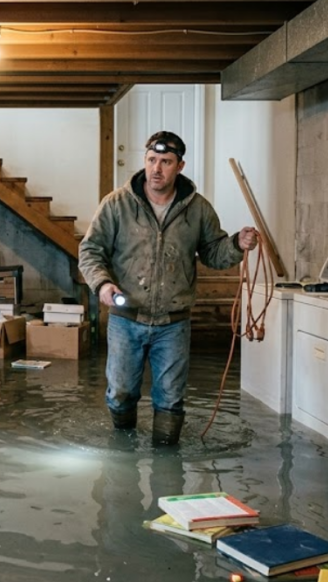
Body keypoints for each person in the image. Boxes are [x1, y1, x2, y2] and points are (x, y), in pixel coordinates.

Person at [78, 131, 258, 445]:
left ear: (180, 166)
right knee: (120, 394)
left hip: (173, 323)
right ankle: (123, 452)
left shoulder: (197, 209)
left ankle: (166, 464)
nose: (156, 169)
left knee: (172, 399)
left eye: (165, 161)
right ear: (144, 161)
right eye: (151, 160)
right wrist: (102, 283)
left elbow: (214, 253)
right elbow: (90, 250)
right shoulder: (116, 204)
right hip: (126, 318)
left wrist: (236, 244)